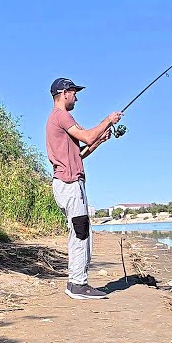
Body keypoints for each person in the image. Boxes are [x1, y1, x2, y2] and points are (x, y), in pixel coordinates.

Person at [45, 77, 122, 300]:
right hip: (69, 184)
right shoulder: (61, 116)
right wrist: (108, 119)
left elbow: (79, 152)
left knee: (80, 232)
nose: (77, 97)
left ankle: (77, 282)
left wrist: (98, 142)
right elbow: (87, 135)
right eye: (74, 92)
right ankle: (77, 285)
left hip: (68, 183)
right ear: (64, 93)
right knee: (80, 234)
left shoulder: (59, 118)